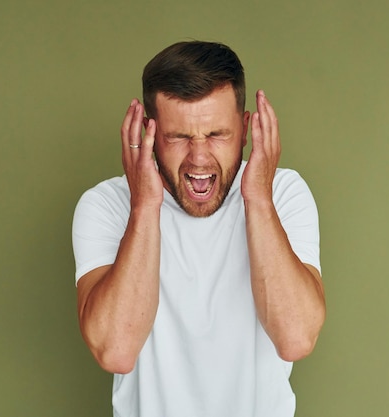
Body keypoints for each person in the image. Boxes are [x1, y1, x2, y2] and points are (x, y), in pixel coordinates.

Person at [72, 40, 326, 417]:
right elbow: (116, 350)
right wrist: (144, 206)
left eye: (217, 135)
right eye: (179, 137)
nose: (200, 158)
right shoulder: (105, 205)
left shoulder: (283, 194)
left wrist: (257, 199)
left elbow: (296, 339)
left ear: (245, 129)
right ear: (150, 133)